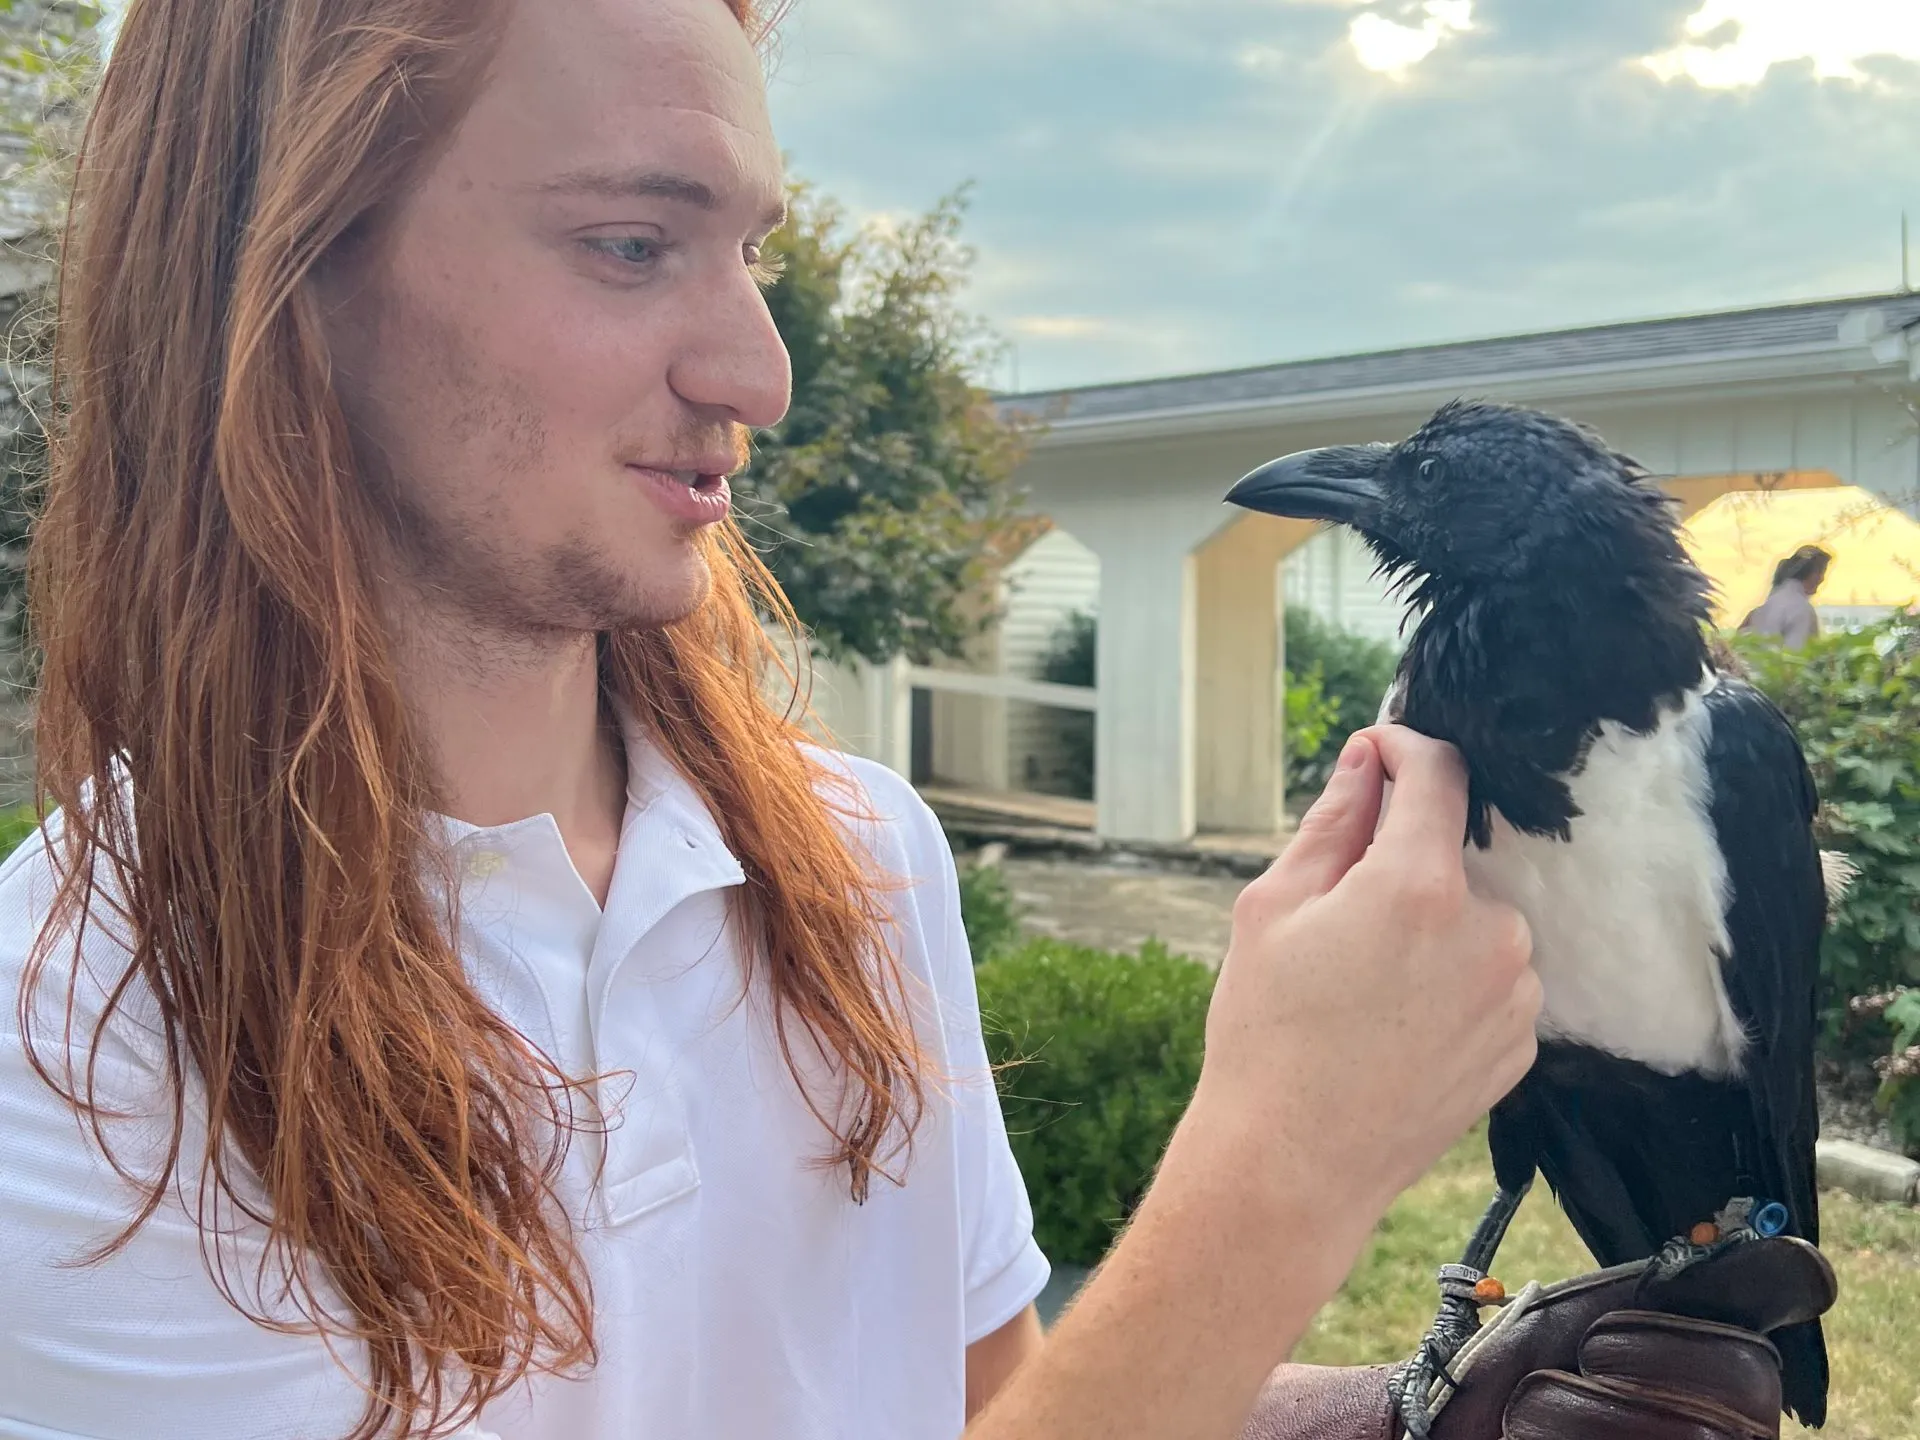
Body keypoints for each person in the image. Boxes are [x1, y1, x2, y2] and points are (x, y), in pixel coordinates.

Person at [0, 2, 1831, 1438]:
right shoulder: (75, 1032)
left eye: (749, 253)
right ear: (285, 282)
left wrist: (1391, 1416)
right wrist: (1281, 1167)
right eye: (631, 243)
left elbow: (976, 1408)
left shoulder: (855, 858)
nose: (761, 372)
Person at [1739, 544, 1833, 649]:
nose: (1822, 579)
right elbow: (1797, 653)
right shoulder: (1801, 609)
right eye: (1821, 572)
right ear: (1813, 574)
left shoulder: (1763, 608)